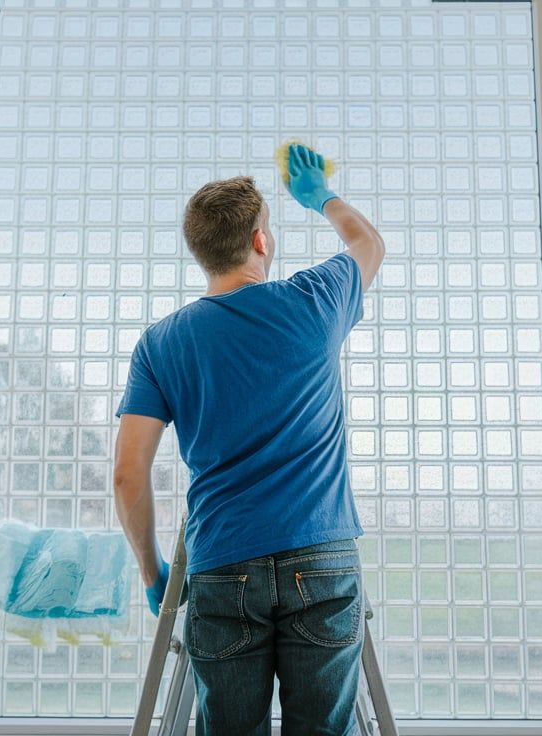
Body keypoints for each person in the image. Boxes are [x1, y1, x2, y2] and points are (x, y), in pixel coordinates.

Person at [112, 143, 385, 735]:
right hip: (321, 555)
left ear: (201, 251)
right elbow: (368, 244)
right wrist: (321, 197)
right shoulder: (314, 300)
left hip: (222, 563)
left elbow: (128, 475)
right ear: (261, 240)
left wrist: (153, 572)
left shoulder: (159, 344)